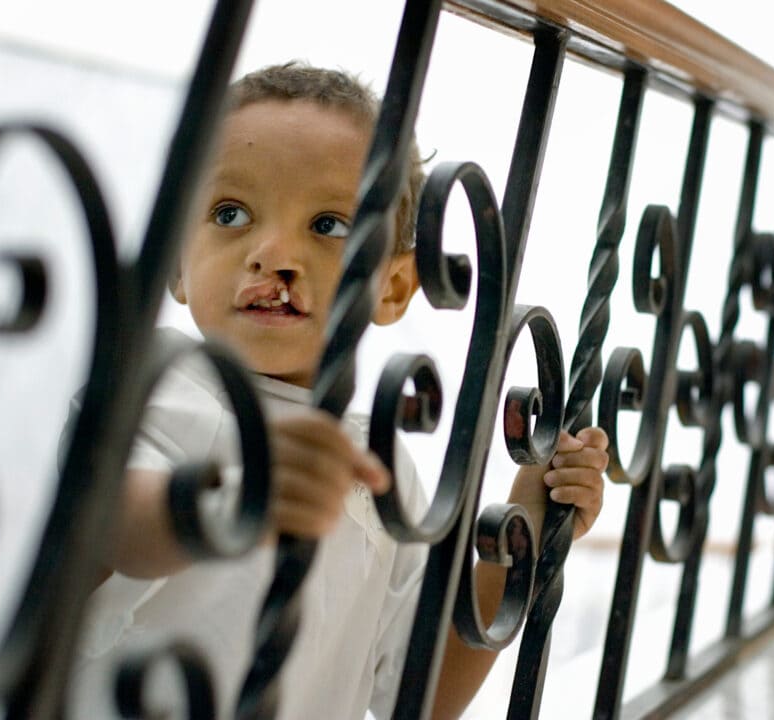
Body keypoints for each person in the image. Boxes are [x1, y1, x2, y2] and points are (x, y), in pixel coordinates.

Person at [70, 62, 609, 720]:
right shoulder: (155, 382)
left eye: (327, 226)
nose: (272, 253)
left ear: (393, 287)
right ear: (180, 260)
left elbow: (424, 693)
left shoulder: (380, 470)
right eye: (230, 213)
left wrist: (527, 525)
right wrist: (240, 498)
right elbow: (97, 523)